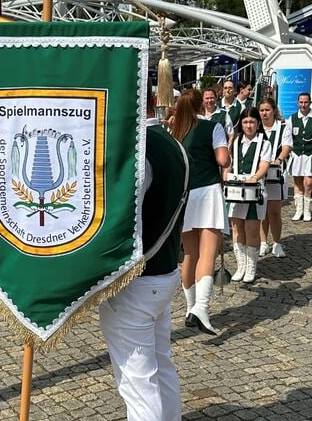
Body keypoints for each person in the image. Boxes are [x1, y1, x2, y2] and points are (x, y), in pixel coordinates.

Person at [99, 83, 189, 421]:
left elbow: (120, 222)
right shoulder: (173, 145)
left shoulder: (138, 151)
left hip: (137, 279)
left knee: (137, 383)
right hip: (164, 272)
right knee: (161, 364)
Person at [171, 89, 230, 335]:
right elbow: (222, 160)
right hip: (207, 192)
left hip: (184, 195)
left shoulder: (175, 131)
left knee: (189, 256)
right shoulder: (213, 127)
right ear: (201, 105)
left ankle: (190, 308)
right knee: (208, 253)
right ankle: (201, 308)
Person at [225, 107, 271, 283]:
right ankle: (241, 265)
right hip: (236, 189)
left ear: (258, 123)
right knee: (236, 228)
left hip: (254, 190)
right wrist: (226, 178)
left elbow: (264, 164)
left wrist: (255, 178)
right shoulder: (235, 142)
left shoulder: (263, 143)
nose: (248, 125)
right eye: (245, 122)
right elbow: (228, 164)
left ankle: (251, 267)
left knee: (251, 229)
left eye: (252, 122)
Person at [257, 98, 292, 258]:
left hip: (276, 172)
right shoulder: (256, 127)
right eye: (262, 110)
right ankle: (263, 242)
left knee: (275, 211)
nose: (264, 113)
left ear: (273, 111)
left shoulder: (282, 127)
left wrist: (278, 160)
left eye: (267, 110)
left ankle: (277, 243)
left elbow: (286, 147)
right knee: (262, 210)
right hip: (260, 172)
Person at [285, 92, 312, 222]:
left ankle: (307, 210)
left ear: (310, 103)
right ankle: (299, 210)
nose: (303, 105)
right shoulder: (292, 118)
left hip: (310, 154)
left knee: (308, 183)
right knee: (297, 182)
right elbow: (288, 137)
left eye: (306, 102)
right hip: (297, 154)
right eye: (301, 102)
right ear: (297, 103)